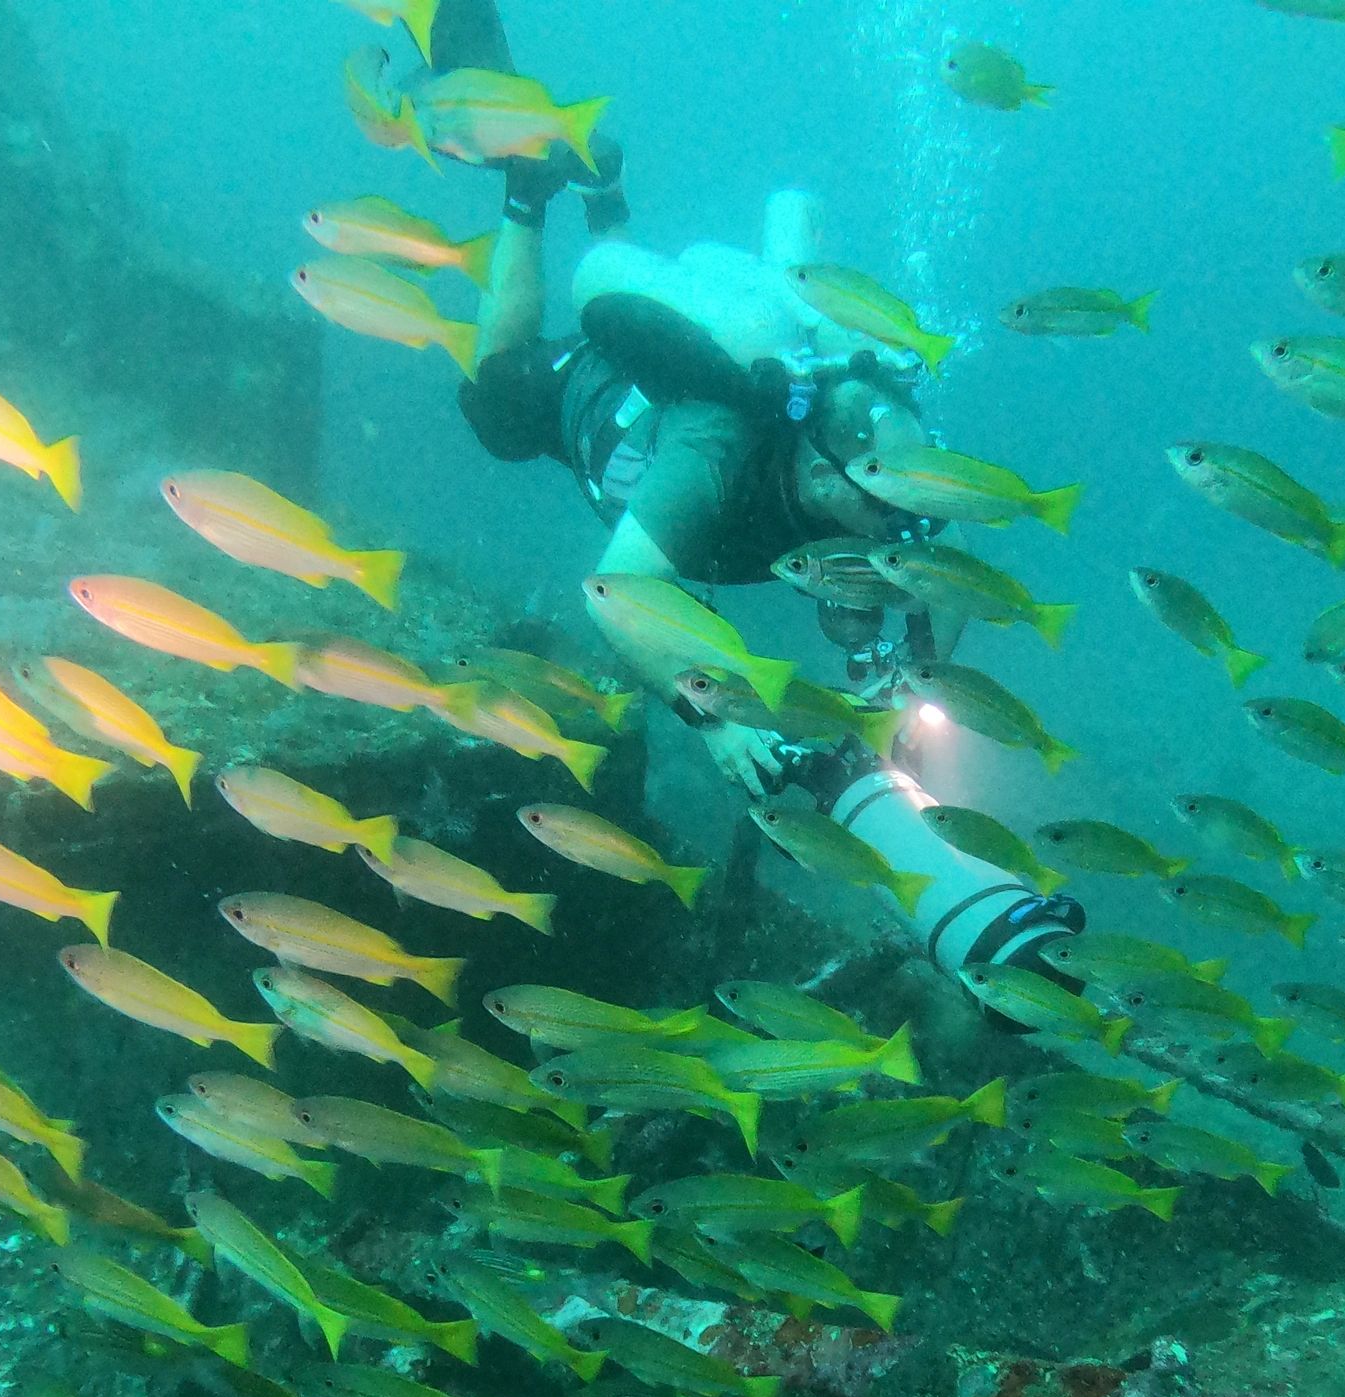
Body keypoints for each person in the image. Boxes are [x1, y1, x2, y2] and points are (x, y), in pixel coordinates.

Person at [436, 0, 1083, 981]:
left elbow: (943, 585)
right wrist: (717, 720)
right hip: (601, 403)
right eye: (872, 530)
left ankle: (603, 189)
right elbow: (617, 595)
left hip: (727, 495)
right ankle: (532, 190)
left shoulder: (902, 497)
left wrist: (905, 695)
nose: (882, 557)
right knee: (493, 403)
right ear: (820, 467)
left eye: (904, 531)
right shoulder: (717, 443)